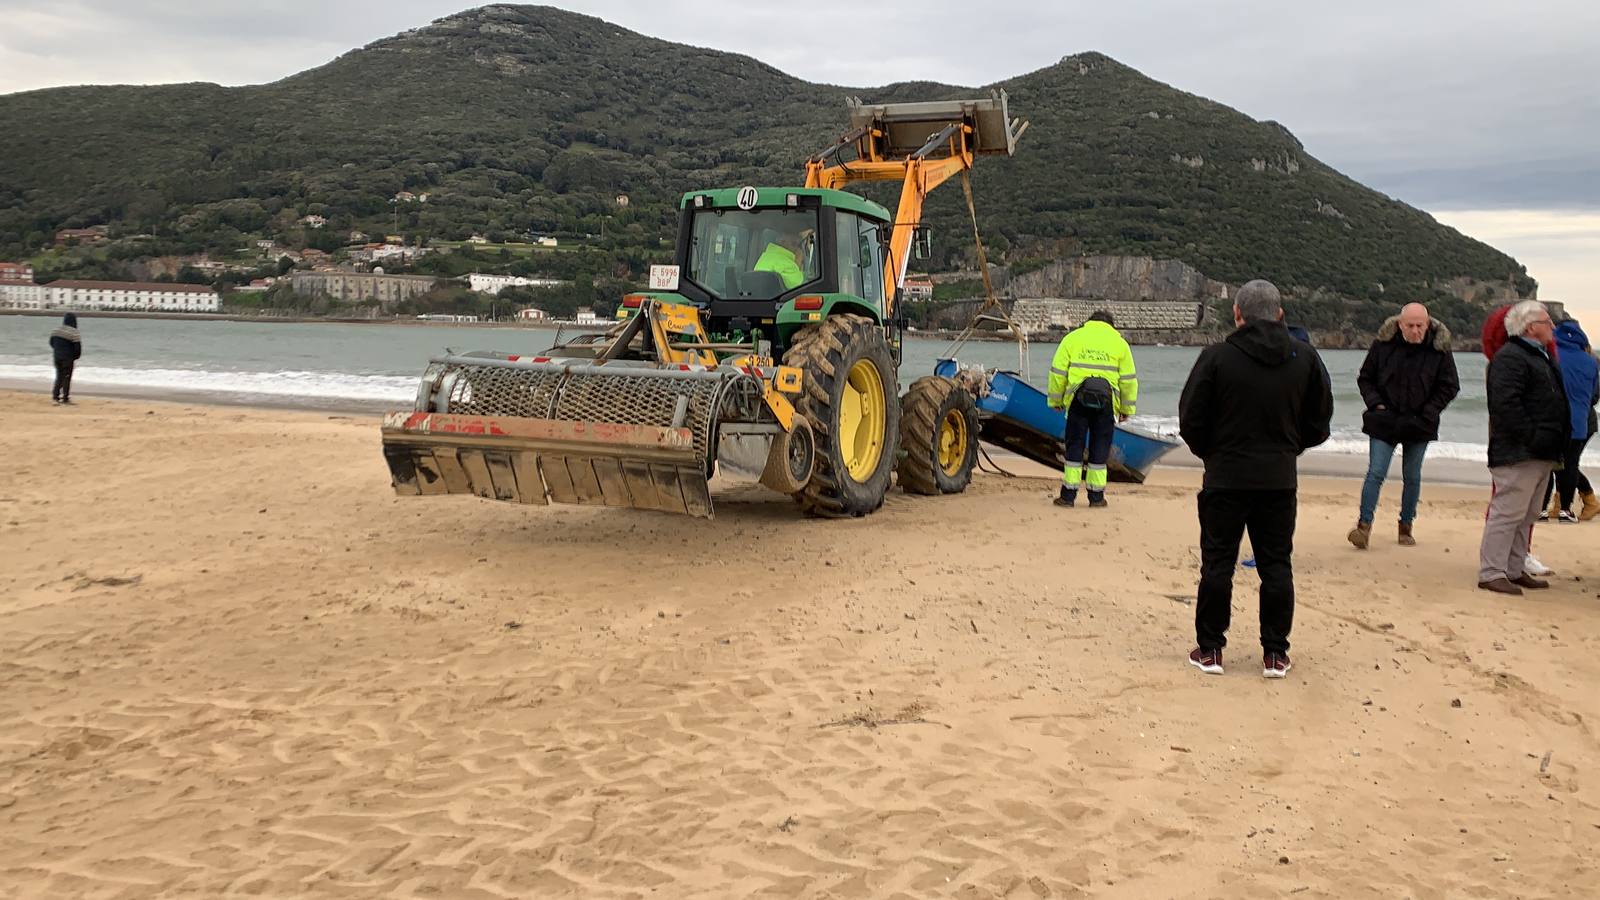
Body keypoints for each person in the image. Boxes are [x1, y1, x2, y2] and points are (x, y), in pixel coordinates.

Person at [1178, 280, 1333, 678]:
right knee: (1276, 565)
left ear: (1237, 314)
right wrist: (1289, 447)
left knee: (1218, 564)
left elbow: (1191, 419)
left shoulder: (1216, 357)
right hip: (1276, 478)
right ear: (1280, 314)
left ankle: (1211, 649)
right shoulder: (1305, 358)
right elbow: (1319, 422)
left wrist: (1212, 453)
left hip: (1227, 476)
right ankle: (1275, 653)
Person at [1348, 303, 1460, 548]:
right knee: (1376, 472)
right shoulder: (1383, 344)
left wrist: (1430, 411)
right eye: (1410, 326)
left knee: (1412, 477)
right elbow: (1365, 377)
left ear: (1428, 325)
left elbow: (1450, 386)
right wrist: (1376, 404)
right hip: (1384, 420)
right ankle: (1363, 527)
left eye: (1420, 326)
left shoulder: (1439, 349)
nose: (1416, 330)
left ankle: (1406, 526)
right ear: (1400, 325)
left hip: (1420, 423)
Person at [1477, 300, 1567, 595]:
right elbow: (1505, 405)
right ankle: (1492, 571)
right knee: (1507, 512)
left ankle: (1514, 569)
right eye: (1546, 322)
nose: (1553, 326)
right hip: (1519, 452)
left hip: (1540, 452)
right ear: (1530, 327)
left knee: (1527, 514)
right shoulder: (1511, 357)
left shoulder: (1538, 356)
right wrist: (1532, 437)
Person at [1046, 310, 1138, 508]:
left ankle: (1068, 496)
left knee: (1075, 446)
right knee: (1100, 448)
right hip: (1105, 404)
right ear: (1111, 325)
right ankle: (1096, 497)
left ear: (1088, 322)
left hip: (1078, 401)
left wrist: (1055, 401)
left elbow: (1057, 372)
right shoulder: (1120, 344)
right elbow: (1129, 381)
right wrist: (1126, 409)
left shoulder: (1072, 338)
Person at [1544, 317, 1599, 522]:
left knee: (1563, 464)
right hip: (1583, 419)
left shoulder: (1554, 356)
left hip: (1577, 420)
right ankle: (1563, 506)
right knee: (1566, 464)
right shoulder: (1590, 358)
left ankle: (1587, 501)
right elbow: (1595, 395)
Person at [49, 313, 82, 405]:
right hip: (68, 358)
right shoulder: (74, 332)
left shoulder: (55, 330)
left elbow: (51, 343)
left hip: (57, 357)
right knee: (67, 377)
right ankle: (65, 398)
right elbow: (77, 349)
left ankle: (55, 397)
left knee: (59, 376)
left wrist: (58, 350)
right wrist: (75, 357)